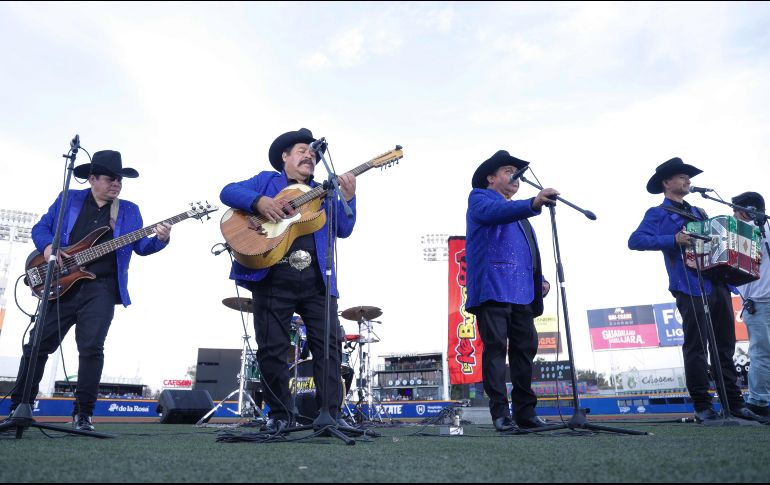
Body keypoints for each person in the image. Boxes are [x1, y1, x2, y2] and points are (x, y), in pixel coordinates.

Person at [7, 150, 171, 431]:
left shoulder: (129, 210)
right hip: (60, 284)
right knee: (36, 346)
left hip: (102, 287)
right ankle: (19, 407)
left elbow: (140, 247)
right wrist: (48, 247)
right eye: (111, 179)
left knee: (92, 349)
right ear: (92, 178)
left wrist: (161, 239)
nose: (117, 184)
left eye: (120, 180)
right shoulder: (68, 199)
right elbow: (41, 228)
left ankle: (83, 414)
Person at [220, 128, 356, 431]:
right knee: (272, 347)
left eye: (313, 153)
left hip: (317, 279)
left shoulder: (325, 190)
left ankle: (330, 415)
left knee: (330, 347)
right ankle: (280, 415)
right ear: (285, 157)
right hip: (272, 275)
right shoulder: (267, 181)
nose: (310, 155)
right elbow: (227, 191)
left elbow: (344, 229)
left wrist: (349, 196)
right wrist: (259, 202)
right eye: (302, 150)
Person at [628, 157, 764, 423]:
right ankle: (703, 406)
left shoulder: (700, 213)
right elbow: (635, 240)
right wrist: (673, 239)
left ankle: (734, 404)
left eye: (688, 177)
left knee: (725, 346)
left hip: (718, 283)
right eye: (681, 177)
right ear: (666, 183)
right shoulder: (657, 213)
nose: (687, 181)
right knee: (696, 347)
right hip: (688, 285)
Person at [465, 150, 558, 432]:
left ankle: (526, 413)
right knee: (495, 351)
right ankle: (500, 414)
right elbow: (496, 213)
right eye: (507, 170)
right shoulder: (480, 198)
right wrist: (531, 202)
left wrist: (539, 279)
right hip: (493, 287)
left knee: (524, 352)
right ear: (491, 178)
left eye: (516, 172)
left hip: (522, 292)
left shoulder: (520, 213)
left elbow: (529, 251)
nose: (514, 176)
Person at [732, 191, 770, 418]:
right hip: (756, 303)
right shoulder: (740, 233)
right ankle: (759, 401)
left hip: (758, 302)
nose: (733, 216)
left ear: (747, 212)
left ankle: (758, 401)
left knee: (762, 353)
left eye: (735, 211)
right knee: (762, 353)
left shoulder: (753, 231)